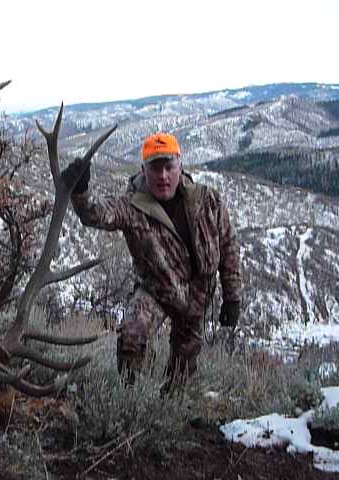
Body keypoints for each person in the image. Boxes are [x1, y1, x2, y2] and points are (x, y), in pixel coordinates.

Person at [64, 133, 242, 393]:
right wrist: (80, 191)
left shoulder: (208, 200)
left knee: (182, 378)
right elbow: (97, 214)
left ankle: (170, 410)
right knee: (131, 336)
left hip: (197, 295)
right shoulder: (132, 206)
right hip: (155, 290)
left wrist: (232, 295)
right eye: (155, 168)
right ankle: (130, 400)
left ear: (180, 165)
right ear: (143, 170)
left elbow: (228, 246)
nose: (163, 176)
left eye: (169, 167)